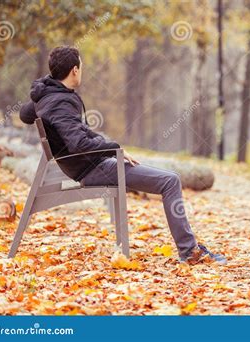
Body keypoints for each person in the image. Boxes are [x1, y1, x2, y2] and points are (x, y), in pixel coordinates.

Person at [19, 45, 225, 265]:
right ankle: (189, 251)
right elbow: (78, 143)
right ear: (75, 70)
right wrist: (114, 148)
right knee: (170, 180)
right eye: (82, 67)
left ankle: (189, 249)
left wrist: (48, 82)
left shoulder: (49, 95)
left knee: (164, 177)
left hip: (86, 165)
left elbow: (25, 114)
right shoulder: (61, 103)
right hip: (91, 169)